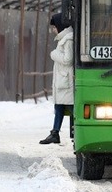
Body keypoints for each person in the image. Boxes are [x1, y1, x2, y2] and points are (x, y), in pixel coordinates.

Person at [39, 13, 74, 145]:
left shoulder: (68, 39)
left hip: (67, 81)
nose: (53, 30)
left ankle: (73, 131)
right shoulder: (64, 38)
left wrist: (53, 54)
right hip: (63, 81)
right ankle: (55, 132)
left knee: (70, 107)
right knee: (59, 106)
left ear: (60, 26)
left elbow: (68, 59)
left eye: (54, 27)